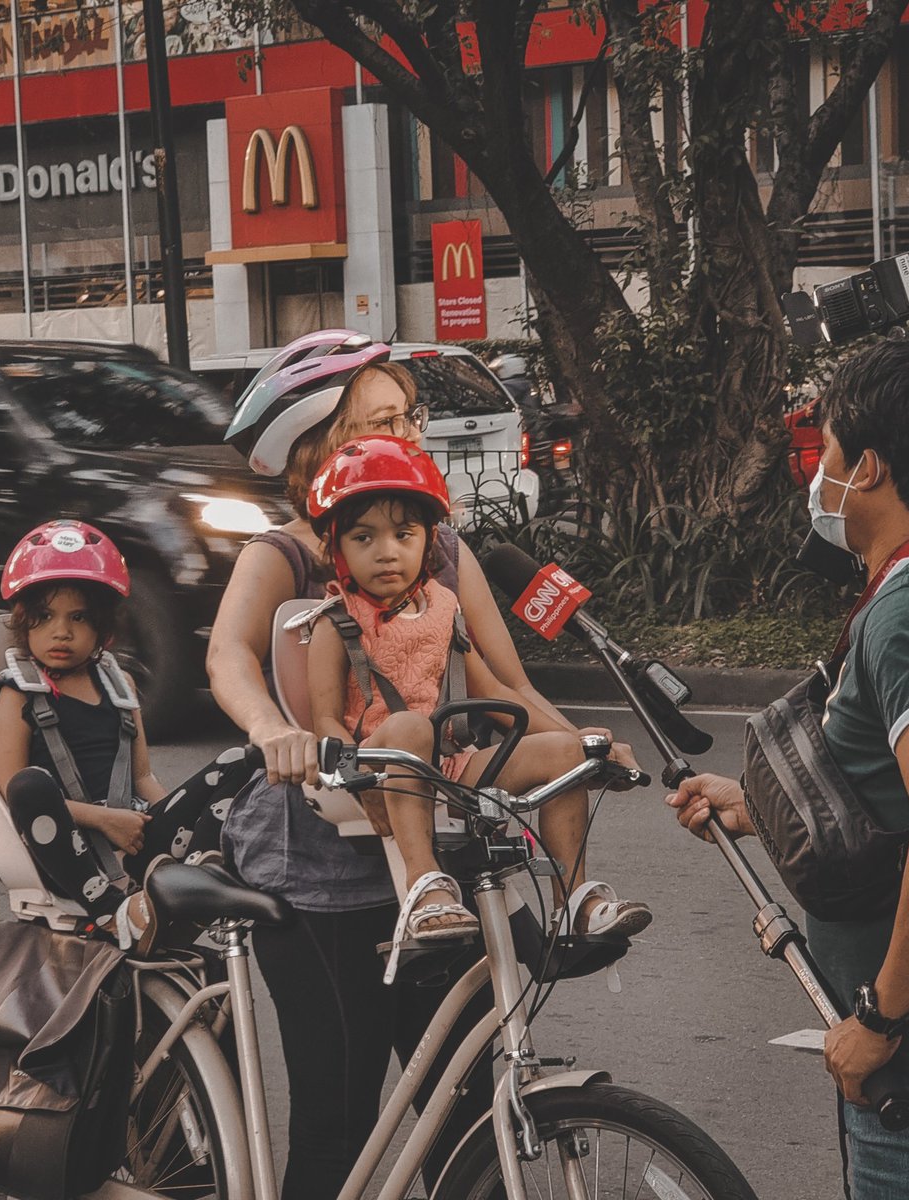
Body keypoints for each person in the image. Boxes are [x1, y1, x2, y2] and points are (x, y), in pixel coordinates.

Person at [208, 330, 641, 1198]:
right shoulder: (286, 554)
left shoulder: (437, 550)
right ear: (316, 439)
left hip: (436, 853)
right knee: (340, 1120)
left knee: (476, 1109)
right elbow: (229, 658)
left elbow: (505, 682)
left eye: (409, 416)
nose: (407, 433)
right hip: (319, 868)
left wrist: (588, 750)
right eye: (381, 417)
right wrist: (271, 730)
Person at [666, 337, 909, 1197]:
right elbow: (899, 791)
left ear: (873, 470)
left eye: (831, 452)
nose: (819, 475)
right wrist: (752, 807)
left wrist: (880, 1017)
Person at [305, 434, 652, 953]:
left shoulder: (445, 608)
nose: (386, 552)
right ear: (337, 549)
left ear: (428, 540)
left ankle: (572, 897)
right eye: (363, 538)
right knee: (409, 727)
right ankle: (427, 890)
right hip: (381, 767)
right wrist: (356, 774)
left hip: (449, 766)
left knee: (561, 752)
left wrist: (583, 744)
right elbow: (326, 721)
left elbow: (497, 697)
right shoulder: (335, 623)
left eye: (404, 534)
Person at [0, 519, 248, 954]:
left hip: (134, 837)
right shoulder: (16, 693)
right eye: (45, 616)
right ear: (23, 620)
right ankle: (114, 912)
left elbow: (142, 776)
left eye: (79, 617)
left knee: (242, 759)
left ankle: (191, 884)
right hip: (68, 852)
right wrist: (105, 820)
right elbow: (10, 792)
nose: (61, 632)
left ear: (103, 627)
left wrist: (164, 821)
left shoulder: (118, 682)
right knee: (30, 784)